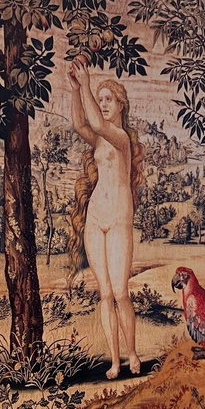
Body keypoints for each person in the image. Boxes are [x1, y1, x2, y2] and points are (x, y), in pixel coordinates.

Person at [66, 56, 145, 379]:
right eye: (100, 100)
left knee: (121, 292)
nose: (103, 104)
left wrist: (86, 83)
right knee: (106, 294)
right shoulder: (100, 139)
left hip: (118, 218)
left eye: (108, 99)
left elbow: (96, 123)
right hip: (96, 217)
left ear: (121, 105)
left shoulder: (121, 138)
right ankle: (114, 360)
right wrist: (75, 90)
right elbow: (80, 124)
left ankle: (132, 354)